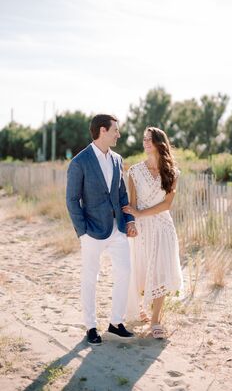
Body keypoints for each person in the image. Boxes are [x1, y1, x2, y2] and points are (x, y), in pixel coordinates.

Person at [66, 114, 137, 345]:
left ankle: (116, 322)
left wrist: (129, 221)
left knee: (125, 272)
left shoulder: (117, 159)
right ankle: (91, 326)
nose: (119, 134)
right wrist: (82, 231)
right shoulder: (79, 162)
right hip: (92, 232)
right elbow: (72, 199)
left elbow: (122, 194)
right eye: (115, 130)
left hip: (117, 229)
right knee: (90, 278)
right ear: (103, 131)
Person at [122, 126, 183, 339]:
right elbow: (132, 204)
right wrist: (132, 221)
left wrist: (140, 212)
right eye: (144, 139)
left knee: (161, 270)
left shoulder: (172, 172)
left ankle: (156, 320)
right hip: (142, 228)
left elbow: (167, 204)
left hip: (164, 228)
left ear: (159, 142)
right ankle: (139, 308)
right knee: (140, 270)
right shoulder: (135, 171)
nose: (145, 143)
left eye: (149, 139)